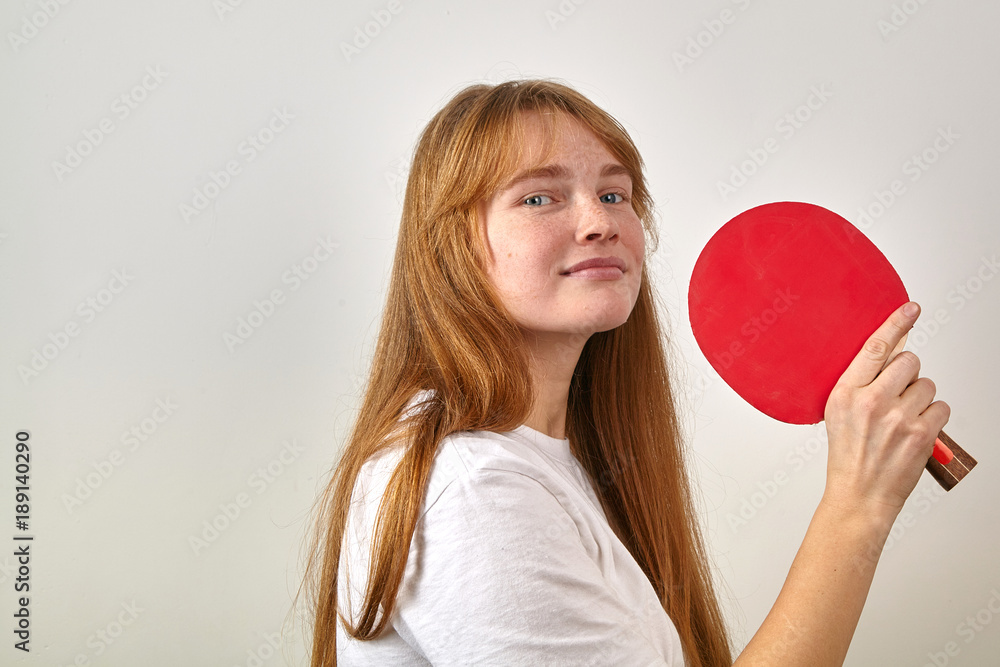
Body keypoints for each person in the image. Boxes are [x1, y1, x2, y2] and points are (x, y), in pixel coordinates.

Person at [301, 79, 949, 666]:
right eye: (539, 197)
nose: (600, 222)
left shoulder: (555, 458)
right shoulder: (473, 491)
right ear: (452, 247)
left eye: (614, 194)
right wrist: (858, 506)